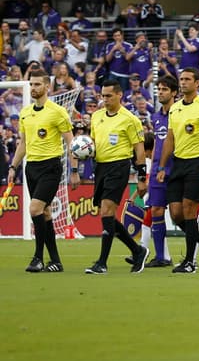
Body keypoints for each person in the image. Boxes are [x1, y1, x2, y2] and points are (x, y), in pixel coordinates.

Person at [8, 70, 75, 273]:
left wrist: (74, 170)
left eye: (38, 84)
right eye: (32, 84)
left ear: (48, 86)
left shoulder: (57, 111)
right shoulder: (25, 113)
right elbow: (23, 143)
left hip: (51, 167)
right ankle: (55, 261)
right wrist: (13, 166)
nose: (34, 88)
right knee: (45, 213)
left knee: (35, 209)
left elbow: (71, 142)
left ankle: (38, 258)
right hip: (32, 168)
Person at [158, 69, 199, 273]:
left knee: (188, 209)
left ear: (198, 83)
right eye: (181, 79)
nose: (183, 83)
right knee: (176, 214)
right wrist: (161, 165)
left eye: (187, 79)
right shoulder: (175, 108)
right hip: (179, 163)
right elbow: (170, 138)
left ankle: (189, 262)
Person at [83, 79, 149, 274]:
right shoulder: (96, 117)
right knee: (107, 216)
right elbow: (93, 143)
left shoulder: (130, 119)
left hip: (119, 166)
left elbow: (139, 149)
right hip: (101, 167)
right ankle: (138, 250)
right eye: (103, 96)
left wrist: (142, 176)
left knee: (106, 211)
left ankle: (102, 263)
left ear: (120, 95)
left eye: (109, 96)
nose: (105, 99)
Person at [141, 75, 176, 267]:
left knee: (180, 214)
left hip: (177, 168)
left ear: (173, 92)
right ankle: (161, 256)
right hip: (158, 172)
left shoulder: (179, 113)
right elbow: (156, 144)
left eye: (164, 89)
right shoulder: (155, 117)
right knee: (156, 210)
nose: (160, 92)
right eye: (159, 89)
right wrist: (152, 169)